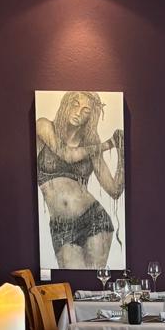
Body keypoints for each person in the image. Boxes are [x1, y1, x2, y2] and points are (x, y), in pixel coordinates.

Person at [36, 91, 125, 269]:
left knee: (98, 280)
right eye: (75, 104)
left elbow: (114, 190)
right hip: (62, 226)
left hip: (95, 219)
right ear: (65, 105)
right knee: (71, 277)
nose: (78, 112)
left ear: (90, 116)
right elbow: (67, 155)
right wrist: (108, 144)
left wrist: (122, 152)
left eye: (86, 110)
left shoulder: (91, 142)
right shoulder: (44, 126)